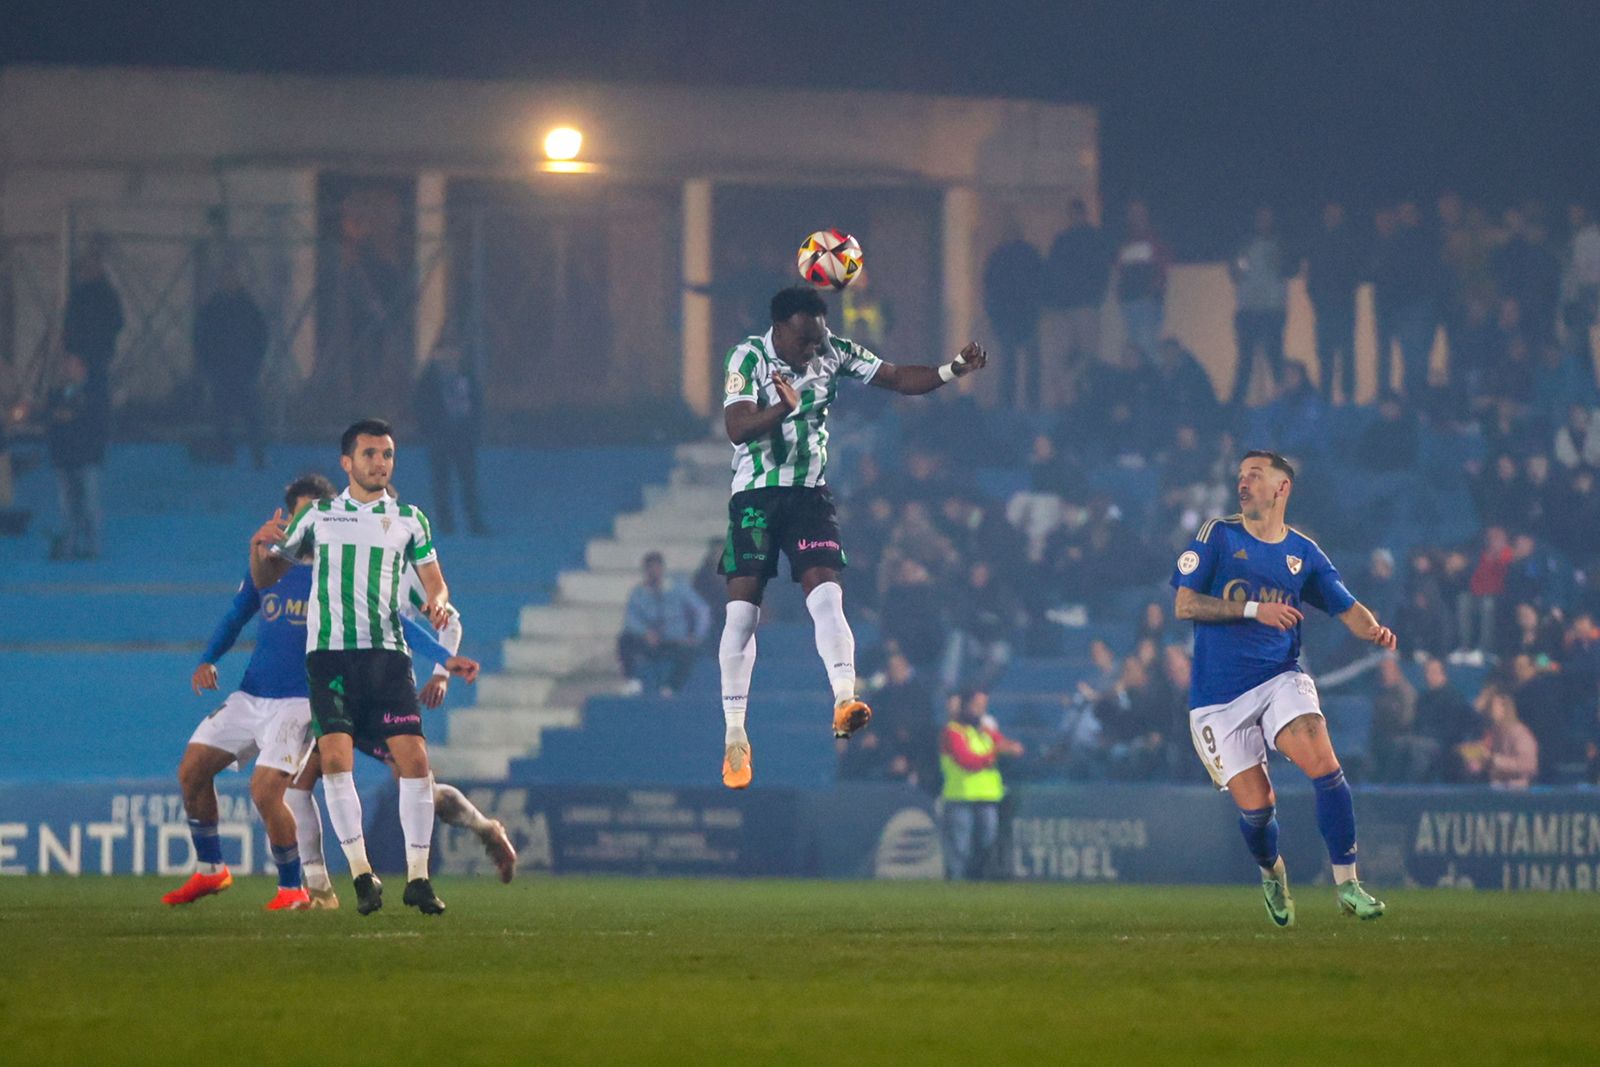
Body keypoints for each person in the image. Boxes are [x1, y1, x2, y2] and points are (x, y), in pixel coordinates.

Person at [162, 474, 481, 910]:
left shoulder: (346, 566)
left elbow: (397, 622)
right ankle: (213, 870)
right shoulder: (275, 567)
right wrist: (208, 658)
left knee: (277, 789)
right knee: (193, 769)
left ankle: (300, 887)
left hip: (310, 696)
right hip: (253, 694)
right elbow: (239, 611)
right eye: (300, 517)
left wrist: (442, 660)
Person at [716, 285, 988, 789]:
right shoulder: (748, 356)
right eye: (805, 341)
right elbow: (736, 427)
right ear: (780, 330)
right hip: (755, 497)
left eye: (819, 339)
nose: (814, 350)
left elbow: (898, 378)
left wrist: (953, 369)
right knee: (742, 613)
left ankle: (845, 699)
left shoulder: (835, 351)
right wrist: (783, 408)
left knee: (828, 597)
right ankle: (736, 734)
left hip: (808, 497)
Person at [1171, 450, 1395, 926]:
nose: (1243, 482)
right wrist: (1255, 610)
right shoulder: (1218, 535)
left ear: (1282, 487)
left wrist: (1374, 629)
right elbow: (1185, 604)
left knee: (1322, 756)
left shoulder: (1304, 553)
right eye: (1240, 476)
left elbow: (1346, 605)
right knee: (1258, 810)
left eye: (1255, 475)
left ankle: (1348, 883)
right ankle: (1273, 873)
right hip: (1217, 699)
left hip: (1280, 676)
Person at [250, 418, 455, 915]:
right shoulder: (318, 515)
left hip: (387, 657)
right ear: (347, 462)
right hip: (330, 657)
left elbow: (435, 583)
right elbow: (268, 576)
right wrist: (258, 548)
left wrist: (439, 603)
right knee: (336, 761)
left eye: (386, 455)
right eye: (369, 454)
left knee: (417, 763)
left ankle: (419, 879)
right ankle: (363, 875)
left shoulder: (410, 519)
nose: (379, 463)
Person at [939, 689, 1023, 880]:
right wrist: (995, 753)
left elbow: (1008, 745)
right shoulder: (953, 731)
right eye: (976, 706)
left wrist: (1010, 748)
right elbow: (966, 760)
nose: (979, 710)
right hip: (961, 797)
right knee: (960, 847)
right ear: (966, 706)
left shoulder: (984, 731)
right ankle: (956, 885)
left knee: (987, 845)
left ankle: (977, 883)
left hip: (987, 798)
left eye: (982, 706)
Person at [192, 264, 270, 468]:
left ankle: (257, 455)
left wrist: (254, 364)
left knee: (251, 415)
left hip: (244, 371)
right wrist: (209, 367)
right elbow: (201, 339)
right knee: (223, 415)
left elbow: (261, 337)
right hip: (222, 372)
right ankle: (225, 452)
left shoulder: (248, 309)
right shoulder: (212, 309)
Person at [1039, 199, 1112, 408]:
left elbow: (1101, 270)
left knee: (1088, 355)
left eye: (1075, 214)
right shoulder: (1062, 240)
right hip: (1064, 307)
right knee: (1063, 355)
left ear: (1082, 215)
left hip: (1085, 305)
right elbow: (1051, 272)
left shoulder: (1093, 239)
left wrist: (1096, 297)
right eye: (1070, 215)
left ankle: (1086, 398)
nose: (1072, 218)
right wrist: (1050, 301)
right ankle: (1066, 397)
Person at [412, 344, 487, 536]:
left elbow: (477, 404)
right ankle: (446, 524)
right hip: (439, 438)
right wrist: (428, 431)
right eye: (445, 352)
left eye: (454, 351)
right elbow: (420, 406)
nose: (450, 356)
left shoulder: (467, 376)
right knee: (441, 483)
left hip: (463, 438)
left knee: (469, 482)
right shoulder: (428, 379)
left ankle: (474, 521)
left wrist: (475, 430)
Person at [618, 550, 711, 697]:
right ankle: (632, 681)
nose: (653, 572)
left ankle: (670, 688)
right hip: (650, 641)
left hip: (675, 640)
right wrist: (645, 633)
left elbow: (702, 610)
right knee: (625, 640)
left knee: (689, 652)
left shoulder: (678, 589)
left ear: (662, 569)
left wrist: (696, 635)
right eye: (650, 569)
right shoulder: (638, 593)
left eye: (656, 568)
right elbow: (630, 619)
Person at [41, 353, 106, 561]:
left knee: (89, 504)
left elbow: (96, 422)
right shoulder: (56, 394)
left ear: (82, 369)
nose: (67, 371)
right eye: (65, 367)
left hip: (86, 457)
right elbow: (49, 419)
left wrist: (72, 417)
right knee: (68, 506)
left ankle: (92, 546)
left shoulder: (94, 393)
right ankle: (70, 545)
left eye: (71, 367)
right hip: (64, 457)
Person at [1303, 201, 1363, 404]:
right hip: (1324, 308)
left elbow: (1356, 272)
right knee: (1326, 357)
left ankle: (1348, 397)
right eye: (1330, 212)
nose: (1333, 216)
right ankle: (1325, 398)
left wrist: (1346, 294)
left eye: (1337, 213)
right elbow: (1310, 275)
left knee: (1347, 355)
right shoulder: (1316, 240)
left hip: (1345, 307)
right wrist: (1317, 300)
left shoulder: (1350, 240)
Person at [1230, 205, 1290, 405]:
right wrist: (1241, 265)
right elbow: (1236, 273)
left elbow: (1290, 269)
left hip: (1273, 310)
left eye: (1268, 218)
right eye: (1260, 218)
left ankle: (1286, 405)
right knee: (1245, 363)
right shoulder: (1245, 244)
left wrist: (1280, 263)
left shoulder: (1281, 243)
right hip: (1248, 309)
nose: (1264, 222)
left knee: (1276, 361)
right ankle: (1236, 408)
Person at [1114, 199, 1171, 363]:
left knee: (1148, 347)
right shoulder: (1126, 241)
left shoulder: (1155, 239)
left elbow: (1164, 265)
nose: (1135, 216)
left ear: (1146, 213)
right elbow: (1120, 268)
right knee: (1135, 350)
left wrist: (1154, 289)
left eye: (1139, 211)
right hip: (1129, 301)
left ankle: (1154, 386)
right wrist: (1121, 292)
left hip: (1147, 301)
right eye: (1132, 212)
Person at [1458, 684, 1538, 789]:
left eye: (1493, 705)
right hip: (1494, 789)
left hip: (1517, 791)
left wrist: (1494, 760)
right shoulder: (1492, 732)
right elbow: (1485, 757)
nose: (1490, 710)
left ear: (1505, 707)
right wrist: (1475, 758)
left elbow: (1528, 765)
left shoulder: (1519, 733)